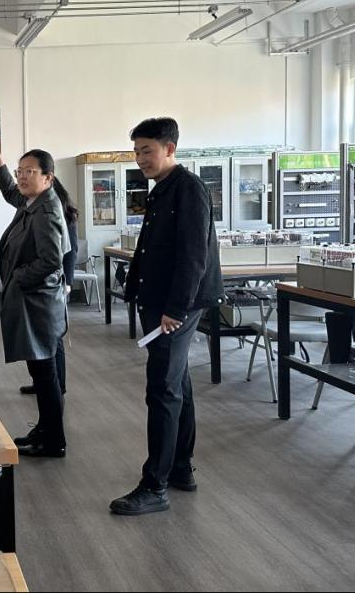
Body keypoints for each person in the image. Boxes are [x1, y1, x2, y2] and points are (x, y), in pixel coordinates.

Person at [109, 117, 221, 516]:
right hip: (161, 301)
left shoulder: (188, 188)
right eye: (137, 152)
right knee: (178, 385)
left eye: (148, 151)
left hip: (174, 307)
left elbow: (194, 255)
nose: (141, 159)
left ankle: (154, 485)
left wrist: (175, 309)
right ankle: (179, 468)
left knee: (162, 390)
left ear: (169, 149)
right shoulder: (163, 188)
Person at [0, 135, 70, 458]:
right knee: (41, 372)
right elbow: (10, 191)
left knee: (45, 375)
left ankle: (53, 440)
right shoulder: (32, 202)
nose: (21, 176)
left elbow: (51, 261)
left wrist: (18, 277)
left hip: (39, 305)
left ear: (48, 178)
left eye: (29, 171)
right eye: (20, 171)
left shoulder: (46, 212)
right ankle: (45, 429)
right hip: (34, 302)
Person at [19, 198, 78, 396]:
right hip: (36, 286)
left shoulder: (61, 214)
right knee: (34, 336)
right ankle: (40, 382)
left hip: (54, 286)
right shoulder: (35, 211)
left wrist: (68, 283)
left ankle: (58, 385)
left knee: (54, 338)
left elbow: (70, 252)